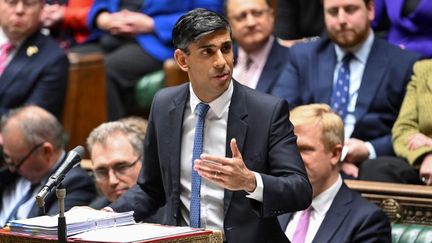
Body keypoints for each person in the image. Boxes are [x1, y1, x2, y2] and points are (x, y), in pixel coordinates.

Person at [107, 8, 312, 243]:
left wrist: (250, 181)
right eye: (208, 52)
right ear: (183, 60)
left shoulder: (266, 111)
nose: (221, 62)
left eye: (226, 48)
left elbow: (300, 191)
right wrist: (109, 215)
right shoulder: (164, 105)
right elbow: (150, 188)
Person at [272, 0, 421, 181]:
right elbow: (279, 116)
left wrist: (368, 149)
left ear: (371, 10)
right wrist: (326, 155)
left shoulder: (403, 63)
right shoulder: (303, 57)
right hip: (309, 162)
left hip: (370, 168)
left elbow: (410, 130)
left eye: (350, 10)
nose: (341, 19)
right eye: (333, 12)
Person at [81, 0, 223, 120]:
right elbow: (100, 5)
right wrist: (104, 18)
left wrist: (152, 24)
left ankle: (115, 146)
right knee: (75, 62)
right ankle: (74, 146)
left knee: (107, 69)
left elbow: (208, 16)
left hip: (157, 41)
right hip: (110, 35)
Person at [278, 103, 391, 243]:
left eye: (304, 149)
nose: (292, 158)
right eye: (289, 149)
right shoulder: (274, 208)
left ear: (335, 154)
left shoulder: (368, 221)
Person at [0, 105, 96, 227]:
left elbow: (48, 234)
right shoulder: (11, 175)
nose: (12, 168)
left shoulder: (75, 183)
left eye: (16, 163)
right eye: (7, 158)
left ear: (46, 152)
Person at [0, 0, 69, 119]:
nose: (19, 10)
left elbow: (30, 122)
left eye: (29, 3)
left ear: (42, 8)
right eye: (12, 2)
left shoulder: (53, 58)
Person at [226, 0, 289, 94]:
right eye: (241, 17)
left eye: (257, 13)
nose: (250, 23)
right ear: (229, 24)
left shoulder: (292, 62)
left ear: (271, 16)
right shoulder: (221, 60)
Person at [391, 59, 432, 185]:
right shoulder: (424, 69)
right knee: (377, 168)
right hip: (422, 159)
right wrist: (427, 154)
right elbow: (403, 129)